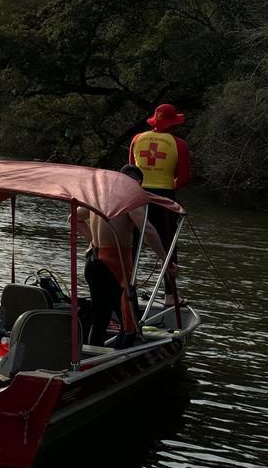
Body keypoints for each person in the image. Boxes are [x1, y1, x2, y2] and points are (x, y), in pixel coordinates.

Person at [77, 166, 176, 348]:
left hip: (93, 262)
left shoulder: (100, 196)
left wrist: (93, 240)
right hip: (116, 267)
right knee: (130, 325)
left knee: (100, 319)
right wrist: (165, 259)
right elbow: (147, 230)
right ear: (138, 183)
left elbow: (73, 218)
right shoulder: (130, 197)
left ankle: (94, 359)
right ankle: (117, 361)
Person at [129, 103, 191, 305]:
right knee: (168, 245)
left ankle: (128, 289)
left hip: (137, 194)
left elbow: (130, 171)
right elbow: (183, 178)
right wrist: (167, 186)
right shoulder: (179, 144)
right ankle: (170, 296)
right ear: (173, 123)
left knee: (133, 244)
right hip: (165, 197)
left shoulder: (137, 139)